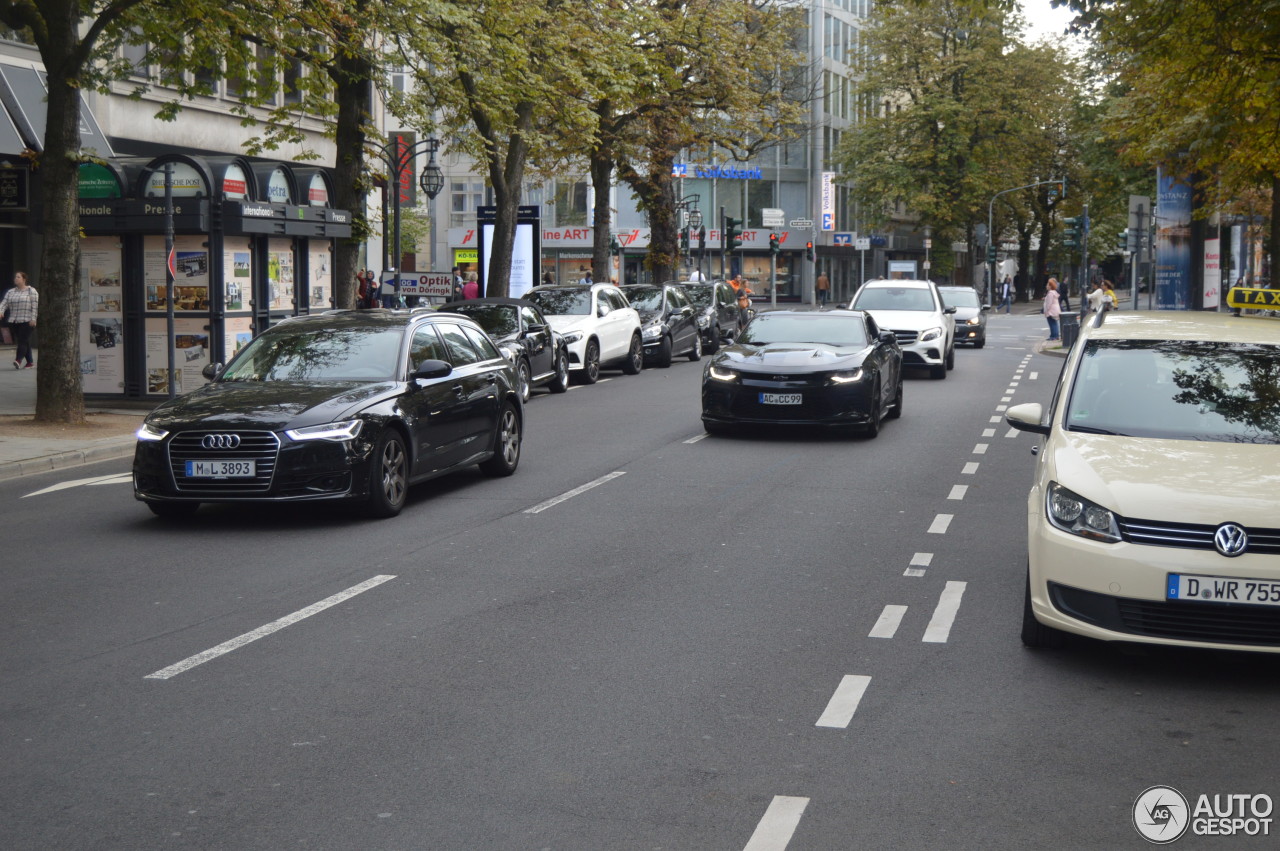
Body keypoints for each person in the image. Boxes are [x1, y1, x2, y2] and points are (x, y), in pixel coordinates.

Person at [1, 271, 38, 368]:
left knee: (22, 340)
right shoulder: (11, 292)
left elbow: (35, 306)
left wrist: (33, 319)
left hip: (27, 320)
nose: (15, 279)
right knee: (24, 341)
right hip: (14, 321)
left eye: (18, 277)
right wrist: (1, 311)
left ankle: (18, 360)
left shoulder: (31, 291)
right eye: (15, 277)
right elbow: (4, 303)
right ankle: (30, 362)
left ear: (24, 279)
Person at [1043, 278, 1062, 342]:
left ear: (1050, 286)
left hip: (1051, 311)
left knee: (1052, 323)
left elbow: (1049, 303)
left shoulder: (1050, 293)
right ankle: (1054, 336)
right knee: (1054, 323)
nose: (1046, 286)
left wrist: (1046, 311)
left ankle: (1054, 336)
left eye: (1047, 285)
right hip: (1055, 310)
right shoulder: (1054, 292)